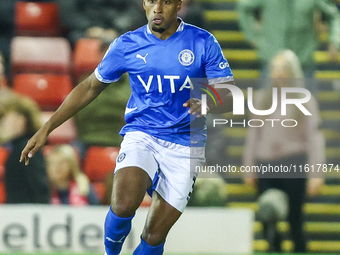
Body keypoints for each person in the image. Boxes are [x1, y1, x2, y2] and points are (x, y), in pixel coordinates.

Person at [20, 0, 234, 254]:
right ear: (144, 4)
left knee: (154, 236)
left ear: (178, 5)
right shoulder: (127, 44)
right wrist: (47, 127)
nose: (158, 8)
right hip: (142, 134)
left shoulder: (203, 41)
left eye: (165, 2)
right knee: (123, 205)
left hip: (186, 144)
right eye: (152, 1)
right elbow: (90, 86)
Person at [243, 50, 325, 253]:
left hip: (294, 162)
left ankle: (299, 248)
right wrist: (248, 168)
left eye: (283, 68)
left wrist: (317, 174)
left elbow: (315, 139)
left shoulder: (305, 101)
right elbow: (253, 135)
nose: (278, 73)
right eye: (275, 68)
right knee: (267, 214)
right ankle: (274, 248)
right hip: (266, 163)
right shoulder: (261, 100)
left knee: (294, 217)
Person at [237, 0, 340, 83]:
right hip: (272, 60)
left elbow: (334, 15)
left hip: (303, 60)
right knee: (267, 105)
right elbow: (244, 8)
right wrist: (253, 36)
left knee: (306, 105)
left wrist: (335, 41)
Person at [0, 93, 50, 204]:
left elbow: (39, 187)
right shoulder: (19, 147)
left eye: (5, 118)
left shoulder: (27, 148)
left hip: (27, 215)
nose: (2, 123)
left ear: (21, 120)